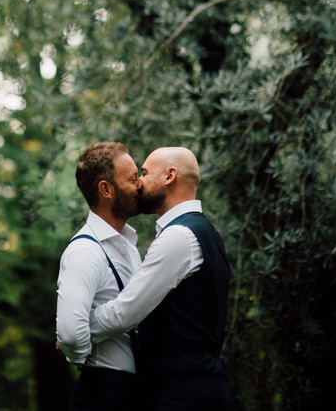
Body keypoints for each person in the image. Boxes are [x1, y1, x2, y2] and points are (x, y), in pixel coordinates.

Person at [90, 146, 232, 411]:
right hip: (195, 390)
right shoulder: (202, 232)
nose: (138, 182)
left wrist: (74, 332)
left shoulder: (178, 237)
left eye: (143, 173)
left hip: (182, 396)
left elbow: (125, 312)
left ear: (169, 176)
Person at [56, 141, 142, 411]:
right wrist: (82, 358)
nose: (140, 184)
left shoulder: (128, 244)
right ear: (106, 190)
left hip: (130, 391)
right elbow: (69, 334)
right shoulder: (84, 251)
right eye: (133, 178)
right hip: (104, 392)